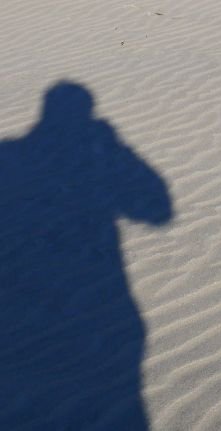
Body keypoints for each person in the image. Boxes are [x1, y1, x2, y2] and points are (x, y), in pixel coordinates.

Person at [0, 82, 173, 430]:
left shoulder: (10, 153)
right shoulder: (100, 148)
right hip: (101, 304)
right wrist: (115, 147)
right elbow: (158, 209)